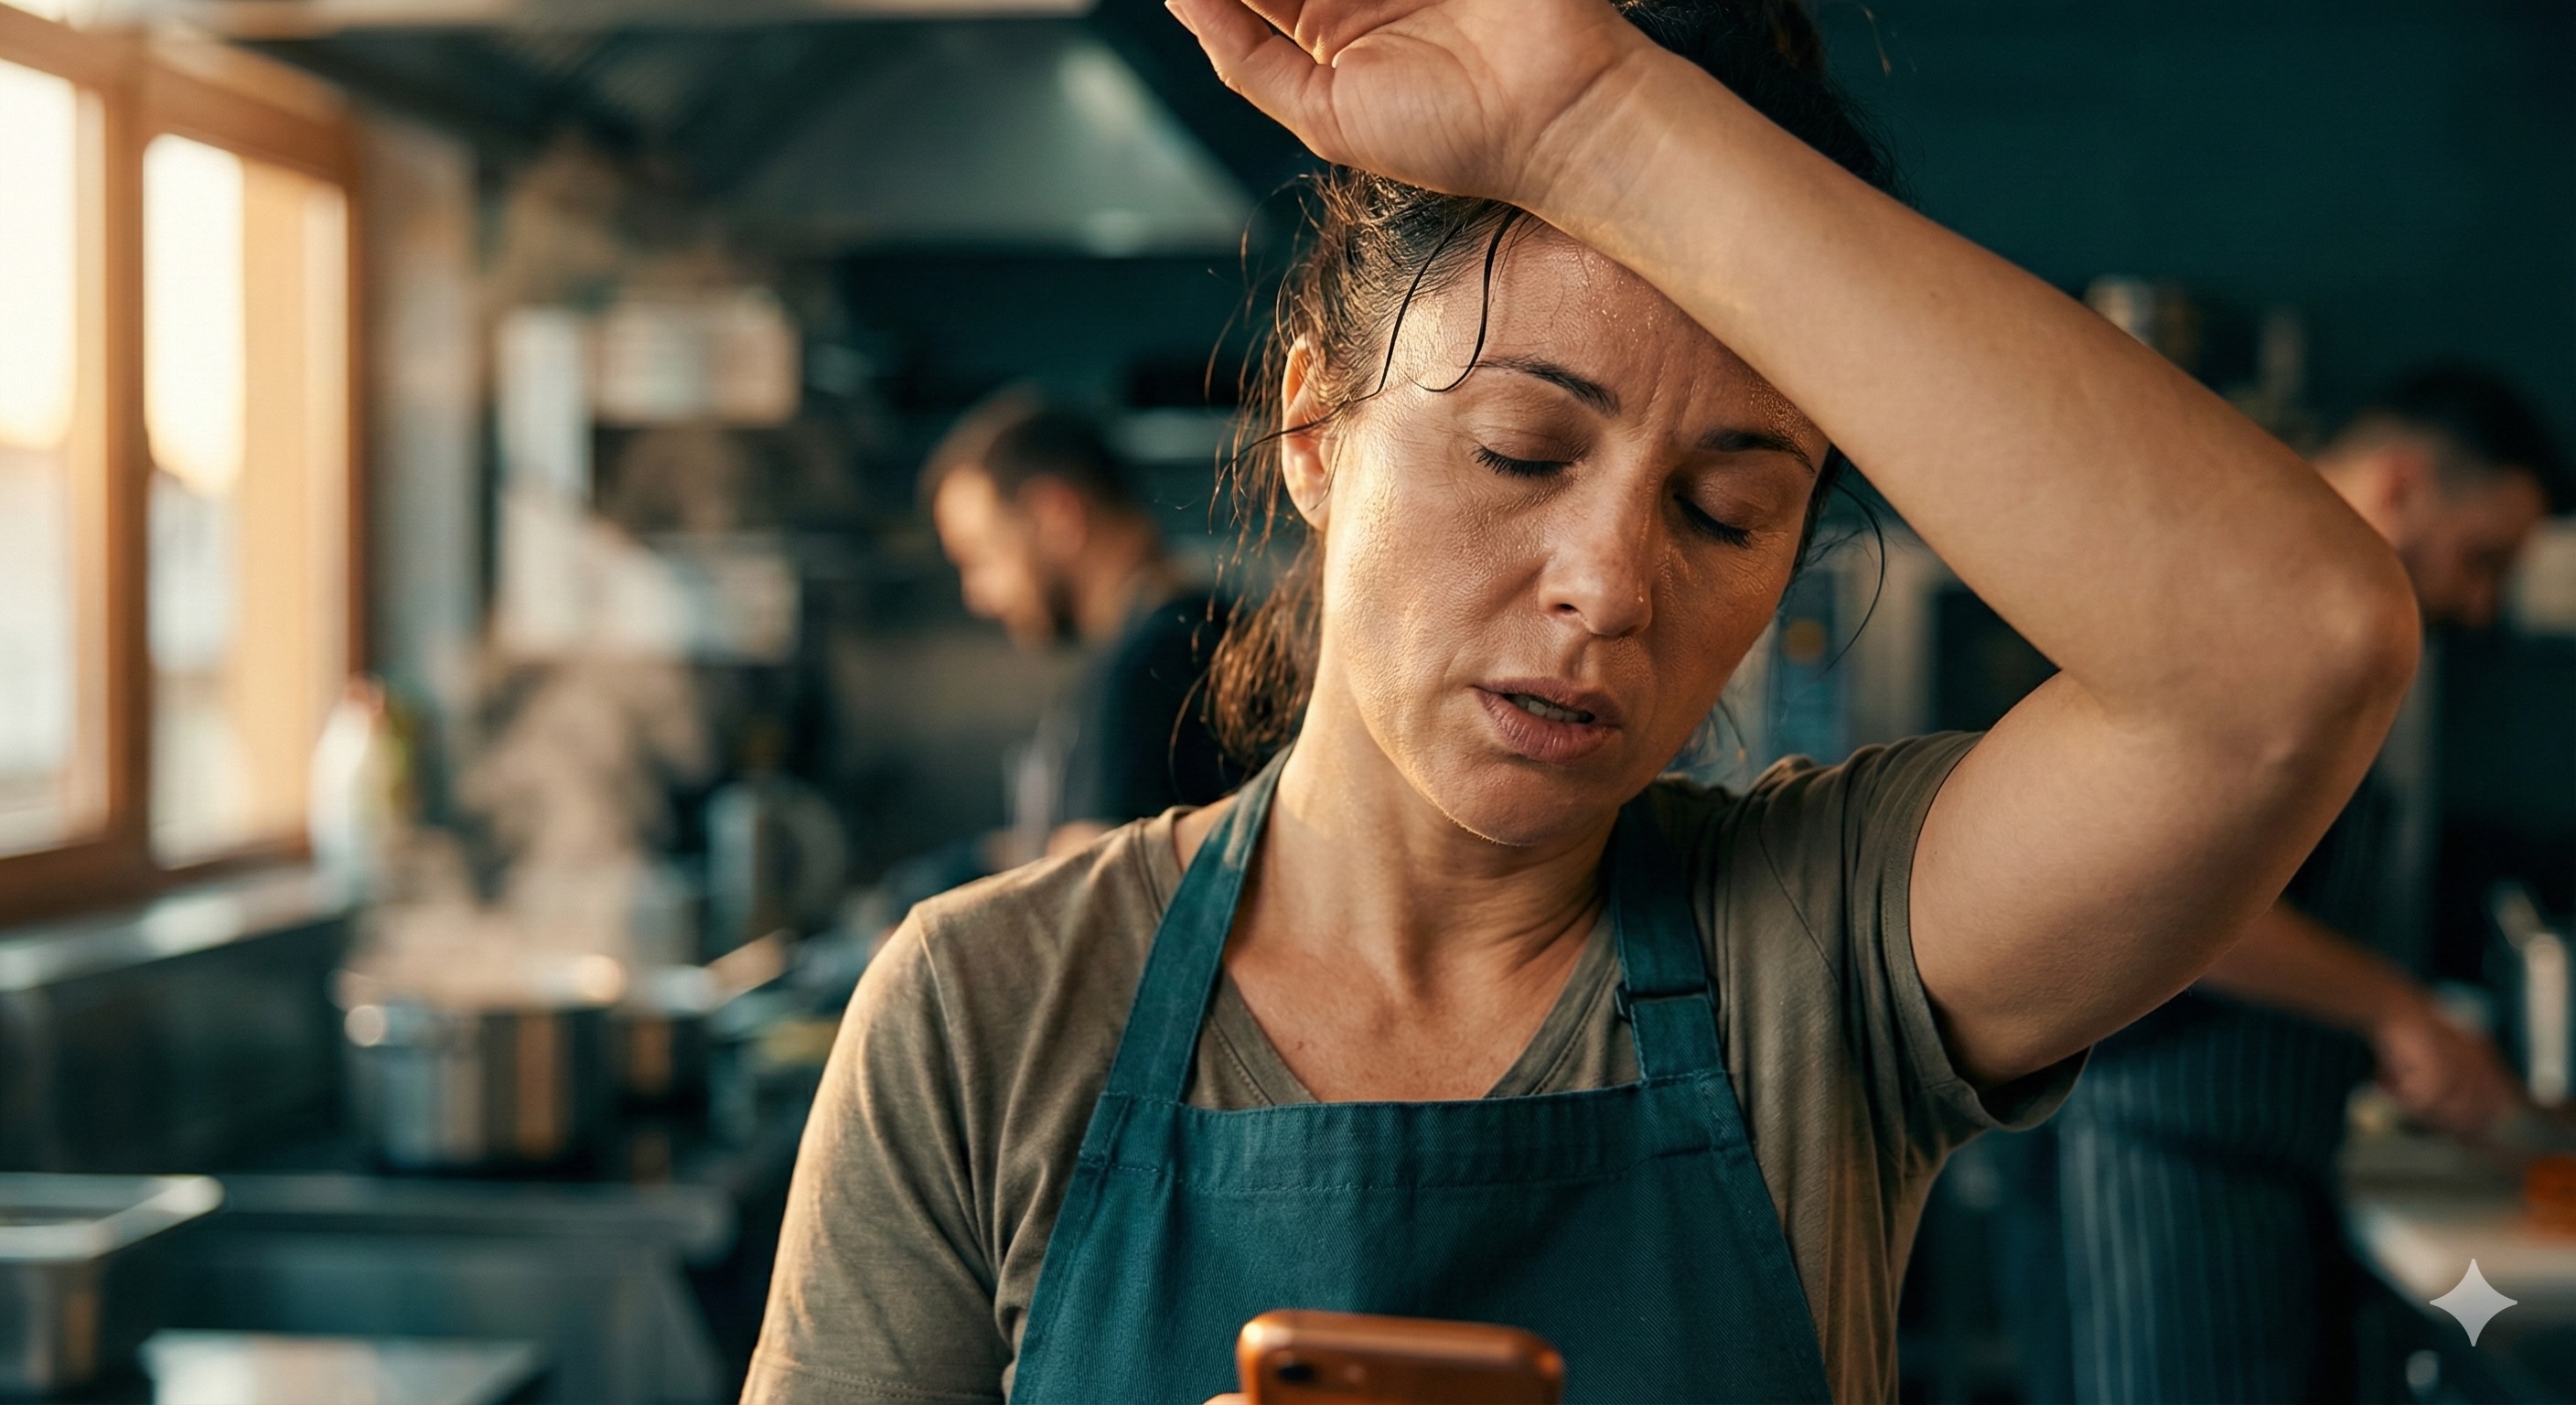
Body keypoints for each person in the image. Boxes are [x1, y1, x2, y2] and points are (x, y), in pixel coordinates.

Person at [745, 0, 2420, 1400]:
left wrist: (1599, 126)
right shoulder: (983, 1013)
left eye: (1727, 512)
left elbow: (2293, 657)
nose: (1611, 586)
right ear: (1314, 430)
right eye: (1520, 451)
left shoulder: (1821, 951)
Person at [2033, 366, 2566, 1405]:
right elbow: (2160, 888)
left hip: (2251, 1155)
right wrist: (2393, 1010)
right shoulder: (2248, 593)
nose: (2479, 602)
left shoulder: (2329, 625)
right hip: (2163, 1150)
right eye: (2481, 558)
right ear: (2402, 485)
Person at [912, 394, 1235, 892]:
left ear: (1056, 517)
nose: (977, 597)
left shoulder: (1146, 670)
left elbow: (1092, 906)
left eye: (981, 557)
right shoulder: (1209, 630)